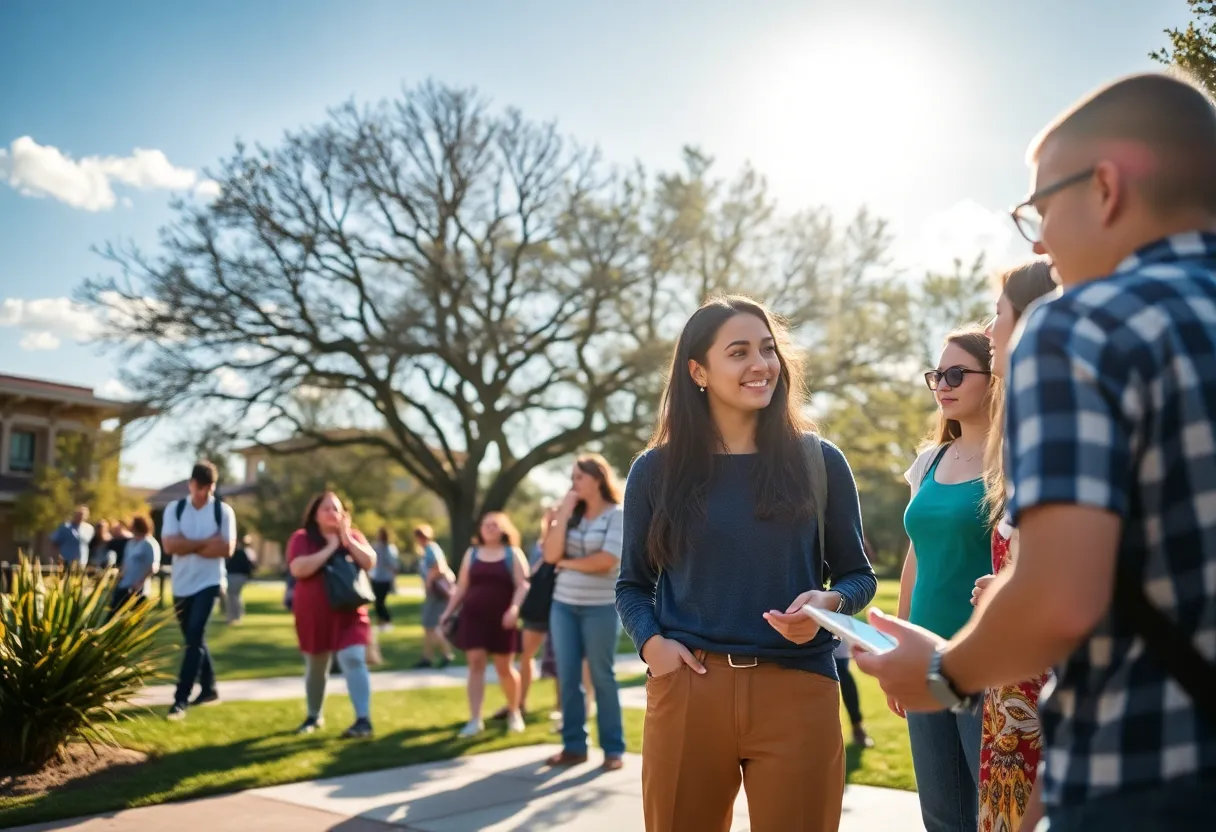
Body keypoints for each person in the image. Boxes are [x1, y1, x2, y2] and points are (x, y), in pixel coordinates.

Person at [854, 72, 1216, 831]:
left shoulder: (1082, 325)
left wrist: (942, 673)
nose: (1040, 241)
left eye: (1041, 208)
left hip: (1148, 776)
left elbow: (1059, 597)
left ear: (1108, 186)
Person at [616, 295, 878, 832]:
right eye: (738, 352)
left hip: (798, 691)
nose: (760, 365)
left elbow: (858, 575)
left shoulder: (819, 461)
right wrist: (653, 646)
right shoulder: (654, 472)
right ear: (698, 372)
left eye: (767, 349)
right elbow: (633, 586)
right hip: (689, 688)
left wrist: (831, 604)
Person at [894, 326, 996, 831]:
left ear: (994, 377)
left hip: (986, 660)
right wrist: (898, 639)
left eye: (957, 373)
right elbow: (917, 554)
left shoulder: (1012, 462)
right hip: (924, 661)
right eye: (937, 375)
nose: (943, 385)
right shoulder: (928, 462)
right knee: (941, 814)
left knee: (993, 812)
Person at [971, 260, 1059, 832]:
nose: (987, 330)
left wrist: (942, 672)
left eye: (997, 314)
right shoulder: (1023, 440)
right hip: (1007, 703)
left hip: (1040, 709)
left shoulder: (1054, 439)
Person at [544, 454, 627, 771]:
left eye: (578, 477)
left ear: (597, 479)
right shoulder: (572, 514)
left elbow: (607, 560)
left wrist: (567, 563)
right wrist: (563, 514)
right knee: (567, 677)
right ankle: (574, 746)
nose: (573, 483)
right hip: (563, 605)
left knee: (602, 676)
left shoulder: (617, 515)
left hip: (600, 607)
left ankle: (613, 748)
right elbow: (551, 554)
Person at [287, 491, 377, 738]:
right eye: (326, 509)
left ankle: (363, 720)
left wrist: (346, 538)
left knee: (353, 658)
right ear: (315, 514)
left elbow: (370, 562)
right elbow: (298, 569)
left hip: (350, 613)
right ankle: (314, 715)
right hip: (314, 614)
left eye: (336, 509)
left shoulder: (353, 537)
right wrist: (331, 548)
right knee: (316, 666)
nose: (332, 513)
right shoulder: (302, 538)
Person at [440, 512, 530, 738]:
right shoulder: (472, 554)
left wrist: (514, 608)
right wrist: (448, 612)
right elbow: (461, 587)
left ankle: (514, 712)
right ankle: (475, 719)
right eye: (485, 525)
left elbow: (523, 585)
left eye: (494, 525)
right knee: (475, 664)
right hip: (473, 617)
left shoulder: (513, 554)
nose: (489, 528)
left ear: (503, 529)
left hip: (503, 619)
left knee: (504, 668)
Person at [160, 461, 237, 721]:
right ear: (190, 484)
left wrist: (187, 544)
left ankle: (180, 699)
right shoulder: (176, 508)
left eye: (207, 488)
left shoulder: (222, 511)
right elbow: (170, 545)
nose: (202, 492)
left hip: (210, 582)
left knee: (194, 638)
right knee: (194, 639)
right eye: (198, 486)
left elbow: (226, 548)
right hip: (181, 584)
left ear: (212, 487)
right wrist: (206, 543)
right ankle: (210, 689)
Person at [414, 524, 455, 668]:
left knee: (432, 624)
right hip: (435, 592)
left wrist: (429, 580)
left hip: (437, 592)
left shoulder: (431, 549)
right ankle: (427, 656)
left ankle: (445, 653)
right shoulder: (428, 550)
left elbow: (440, 567)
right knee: (429, 625)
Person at [110, 514, 160, 617]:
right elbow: (126, 562)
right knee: (113, 614)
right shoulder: (131, 542)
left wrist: (140, 582)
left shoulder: (149, 543)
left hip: (138, 588)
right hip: (124, 584)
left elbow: (153, 566)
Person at [369, 528, 399, 631]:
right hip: (376, 578)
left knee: (380, 602)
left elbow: (393, 565)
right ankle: (381, 623)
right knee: (378, 602)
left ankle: (387, 621)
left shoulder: (389, 548)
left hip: (385, 578)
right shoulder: (376, 547)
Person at [50, 505, 93, 570]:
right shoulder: (65, 527)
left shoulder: (89, 528)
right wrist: (57, 557)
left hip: (82, 561)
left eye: (83, 515)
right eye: (79, 514)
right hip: (66, 561)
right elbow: (54, 542)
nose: (81, 517)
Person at [225, 534, 256, 624]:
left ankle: (233, 616)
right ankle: (237, 615)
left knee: (232, 596)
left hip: (234, 576)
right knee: (236, 596)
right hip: (239, 576)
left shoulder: (236, 553)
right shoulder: (242, 553)